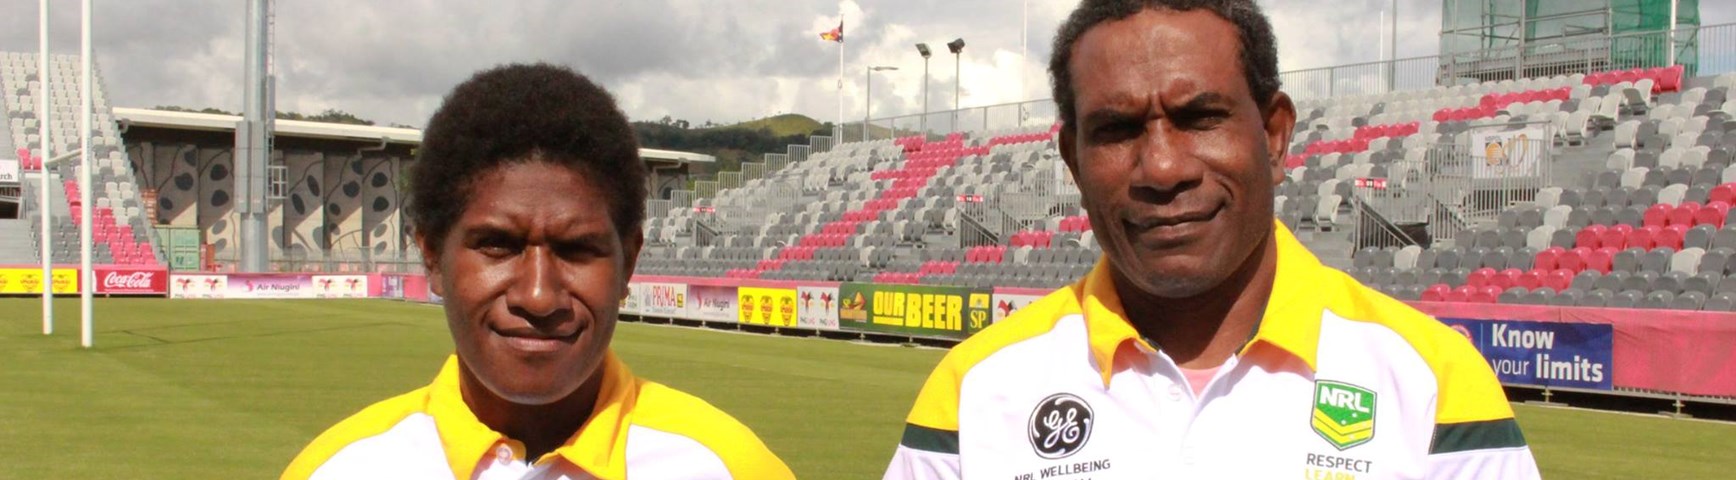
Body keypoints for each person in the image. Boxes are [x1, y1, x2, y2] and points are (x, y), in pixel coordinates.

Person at [882, 1, 1541, 478]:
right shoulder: (974, 392)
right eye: (1117, 130)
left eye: (1200, 118)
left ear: (1274, 135)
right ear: (1073, 162)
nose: (1163, 168)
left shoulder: (1432, 384)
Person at [283, 63, 793, 480]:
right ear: (433, 256)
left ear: (629, 262)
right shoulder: (339, 469)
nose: (538, 296)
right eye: (498, 246)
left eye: (577, 249)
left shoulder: (729, 467)